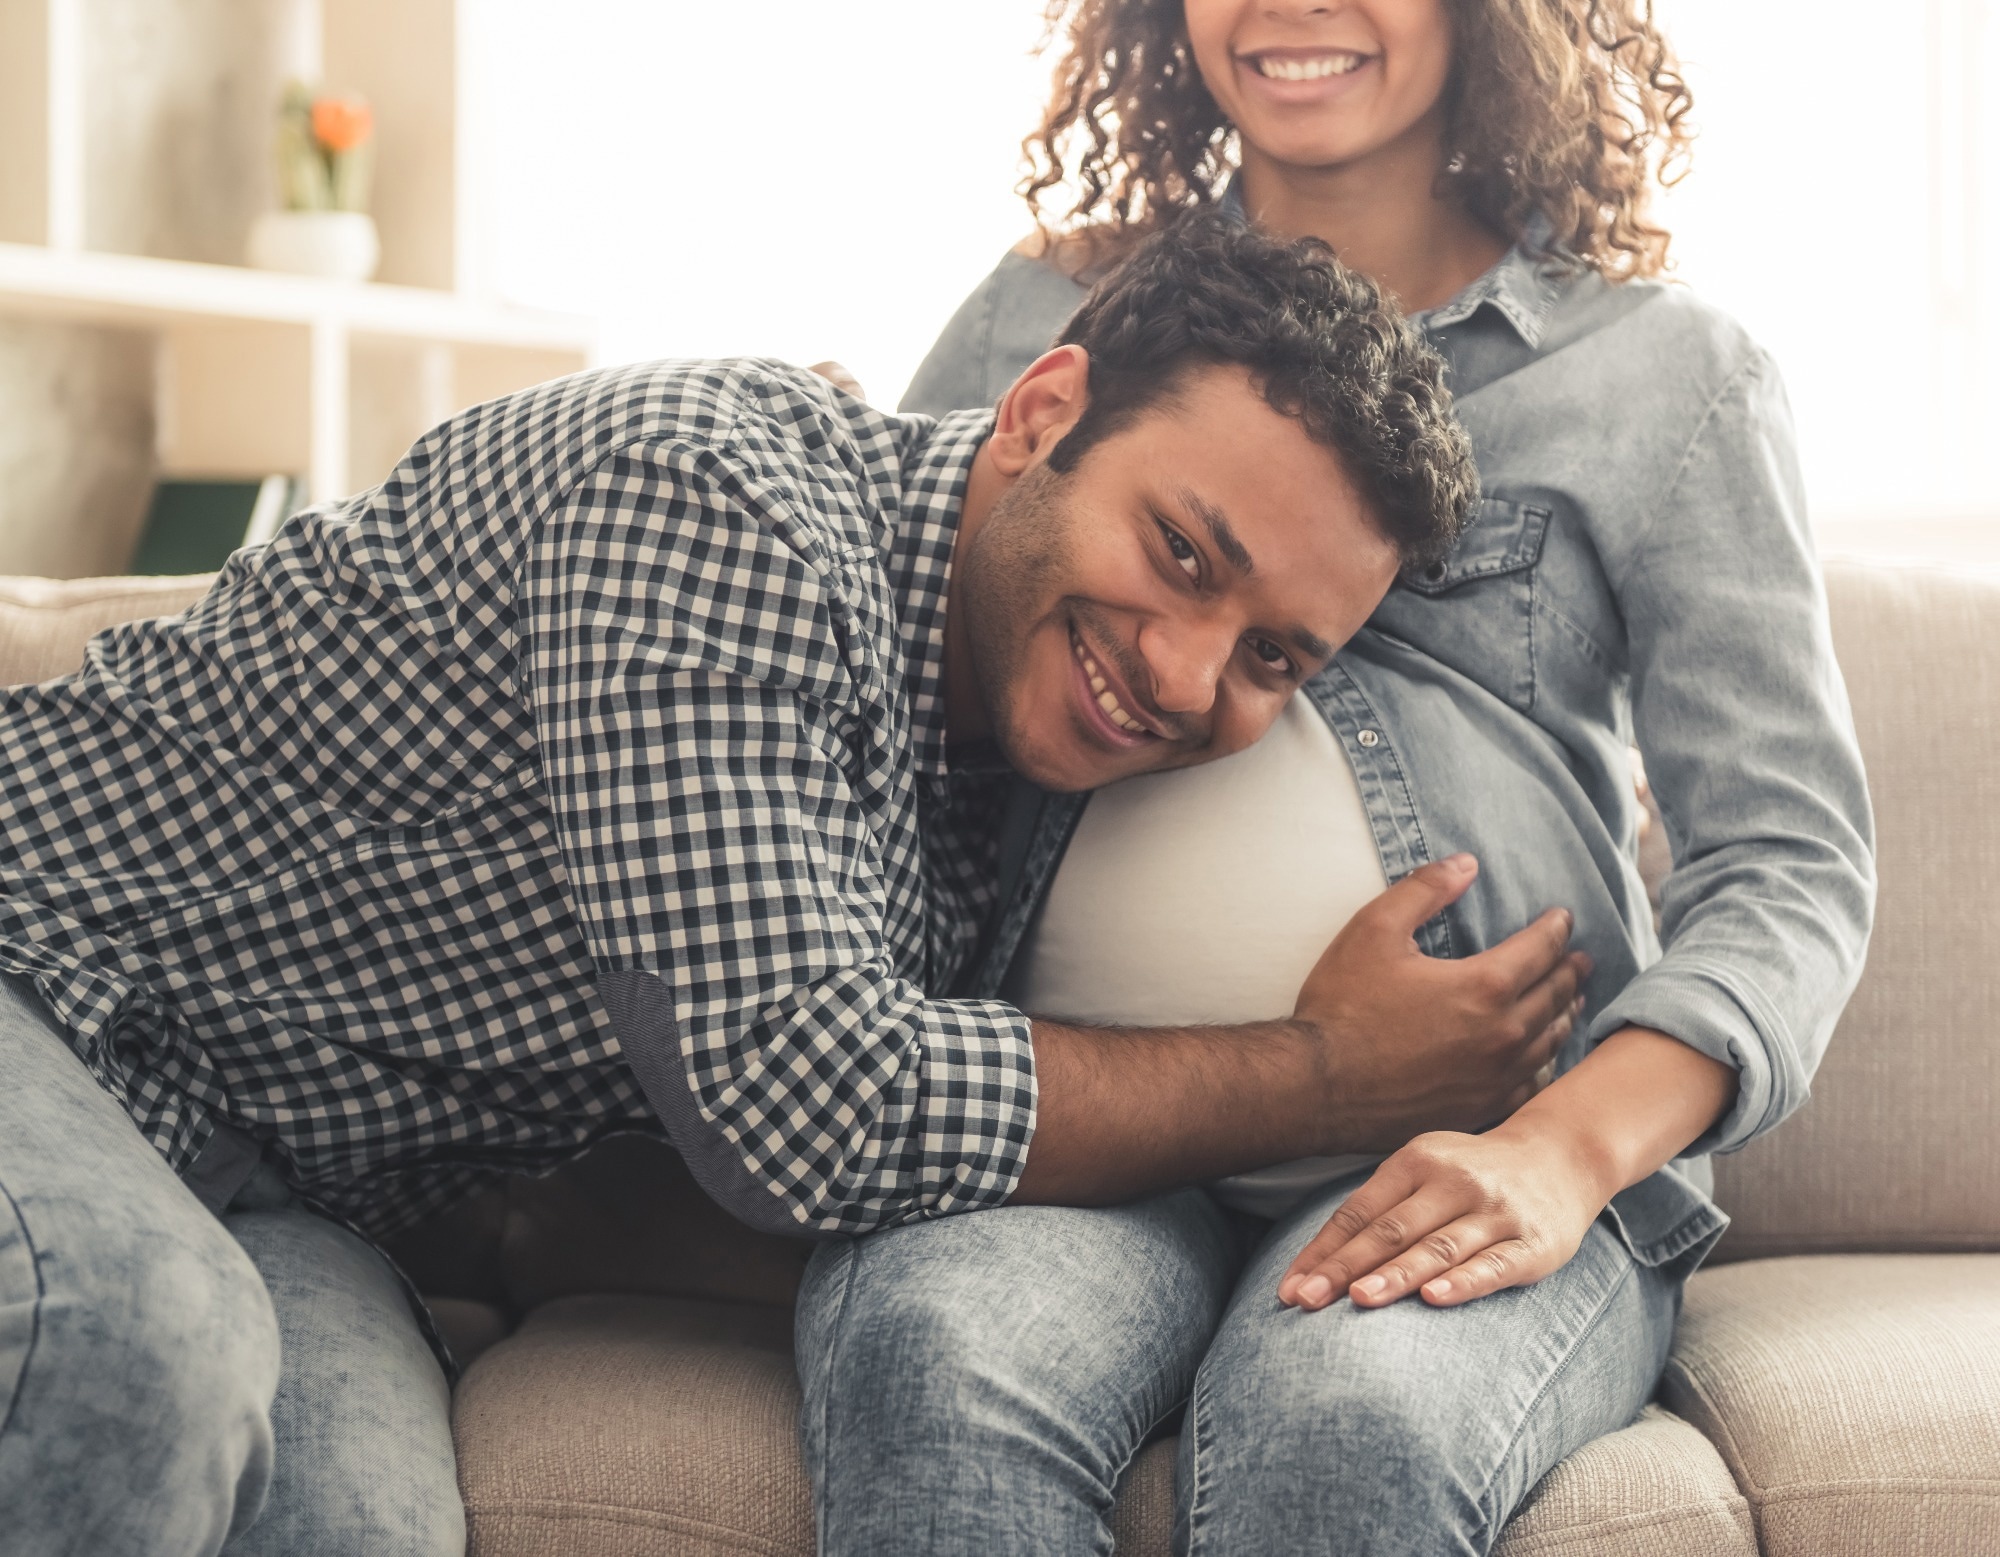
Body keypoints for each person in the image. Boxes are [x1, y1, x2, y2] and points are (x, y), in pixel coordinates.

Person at [0, 217, 1584, 1555]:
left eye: (1272, 657)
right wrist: (1327, 1074)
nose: (1186, 677)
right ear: (1040, 412)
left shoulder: (990, 788)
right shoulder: (719, 502)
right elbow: (808, 1103)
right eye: (1181, 550)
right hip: (46, 984)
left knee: (365, 1527)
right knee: (138, 1355)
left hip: (297, 1187)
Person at [800, 2, 1876, 1553]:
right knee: (934, 1360)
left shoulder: (1666, 375)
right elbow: (885, 668)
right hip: (1067, 1131)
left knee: (1343, 1425)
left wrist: (1557, 1155)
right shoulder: (1044, 309)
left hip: (1467, 1147)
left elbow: (1791, 866)